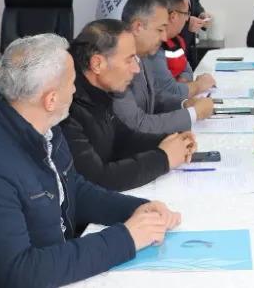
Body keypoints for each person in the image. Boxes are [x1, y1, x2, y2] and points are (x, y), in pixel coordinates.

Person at [0, 34, 180, 288]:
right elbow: (21, 274)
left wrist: (134, 210)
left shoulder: (40, 124)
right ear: (51, 99)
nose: (76, 89)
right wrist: (126, 239)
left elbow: (71, 188)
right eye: (73, 82)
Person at [62, 19, 198, 192]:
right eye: (128, 60)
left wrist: (172, 141)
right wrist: (163, 158)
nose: (136, 69)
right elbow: (98, 179)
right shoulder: (66, 109)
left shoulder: (99, 91)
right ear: (97, 64)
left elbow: (121, 139)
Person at [112, 0, 214, 134]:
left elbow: (156, 97)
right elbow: (138, 123)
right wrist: (193, 113)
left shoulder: (143, 55)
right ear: (137, 27)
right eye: (160, 30)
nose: (165, 38)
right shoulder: (116, 64)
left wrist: (184, 104)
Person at [151, 0, 218, 97]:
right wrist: (199, 84)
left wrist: (183, 83)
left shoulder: (177, 40)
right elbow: (170, 92)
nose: (187, 19)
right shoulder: (154, 47)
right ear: (173, 16)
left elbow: (187, 70)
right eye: (186, 14)